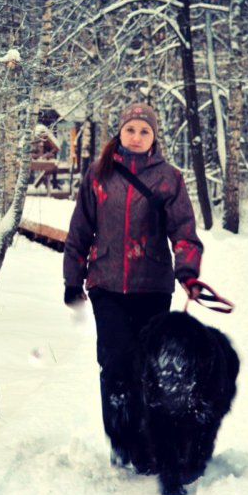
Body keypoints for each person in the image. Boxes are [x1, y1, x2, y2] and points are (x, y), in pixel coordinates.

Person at [63, 102, 203, 473]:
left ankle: (147, 445)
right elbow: (80, 230)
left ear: (154, 136)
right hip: (106, 284)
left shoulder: (168, 178)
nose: (137, 137)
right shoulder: (98, 175)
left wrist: (188, 273)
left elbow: (184, 232)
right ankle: (121, 441)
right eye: (131, 130)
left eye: (144, 131)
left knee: (151, 369)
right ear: (120, 133)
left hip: (153, 286)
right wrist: (72, 279)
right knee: (114, 363)